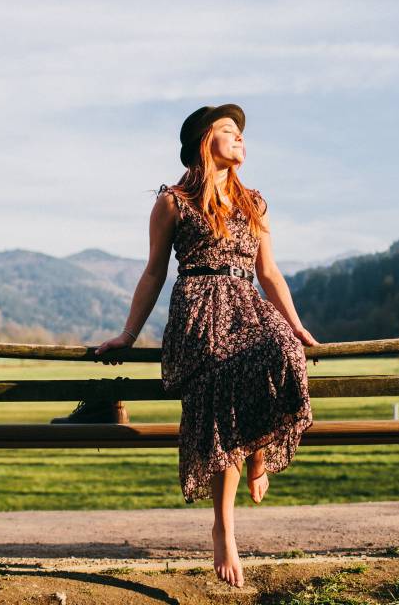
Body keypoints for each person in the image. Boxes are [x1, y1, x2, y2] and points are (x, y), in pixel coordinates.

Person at [93, 103, 319, 588]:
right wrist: (129, 335)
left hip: (246, 303)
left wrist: (296, 325)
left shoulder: (253, 202)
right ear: (204, 140)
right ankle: (224, 528)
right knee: (222, 375)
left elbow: (269, 272)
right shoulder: (173, 202)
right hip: (198, 311)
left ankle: (259, 452)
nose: (241, 139)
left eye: (241, 133)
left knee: (285, 350)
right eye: (229, 131)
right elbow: (154, 272)